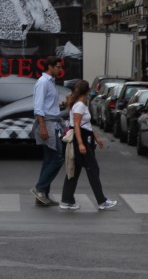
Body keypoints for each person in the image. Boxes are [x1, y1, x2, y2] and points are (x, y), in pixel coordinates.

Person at [59, 80, 117, 211]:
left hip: (84, 138)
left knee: (75, 171)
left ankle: (66, 200)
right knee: (93, 169)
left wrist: (96, 137)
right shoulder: (79, 105)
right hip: (81, 140)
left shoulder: (80, 104)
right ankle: (101, 201)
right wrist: (80, 144)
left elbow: (86, 125)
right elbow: (77, 126)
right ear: (88, 91)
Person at [31, 56, 65, 206]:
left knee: (49, 159)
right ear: (50, 67)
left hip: (52, 123)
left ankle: (42, 195)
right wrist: (43, 127)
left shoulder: (51, 82)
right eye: (58, 66)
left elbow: (49, 104)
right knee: (58, 157)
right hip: (47, 125)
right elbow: (38, 107)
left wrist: (63, 103)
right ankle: (39, 188)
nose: (60, 69)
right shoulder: (43, 82)